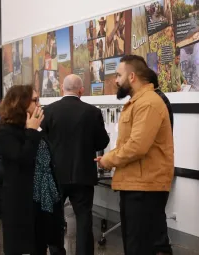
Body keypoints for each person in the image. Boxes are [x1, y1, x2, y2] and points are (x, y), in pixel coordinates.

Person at [96, 55, 174, 255]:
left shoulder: (147, 103)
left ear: (132, 77)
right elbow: (129, 143)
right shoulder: (138, 103)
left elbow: (137, 146)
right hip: (137, 184)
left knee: (140, 247)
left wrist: (108, 159)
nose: (116, 80)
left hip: (144, 188)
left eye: (118, 75)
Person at [42, 74, 109, 255]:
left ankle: (57, 252)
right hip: (83, 174)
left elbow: (42, 142)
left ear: (62, 89)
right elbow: (102, 142)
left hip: (55, 175)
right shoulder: (92, 112)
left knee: (55, 217)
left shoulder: (48, 111)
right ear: (81, 90)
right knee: (84, 219)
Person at [0, 85, 66, 255]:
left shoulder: (38, 127)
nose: (38, 104)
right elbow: (22, 158)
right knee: (23, 246)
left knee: (42, 244)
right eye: (35, 100)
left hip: (44, 199)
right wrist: (31, 131)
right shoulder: (6, 131)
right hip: (22, 200)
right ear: (20, 103)